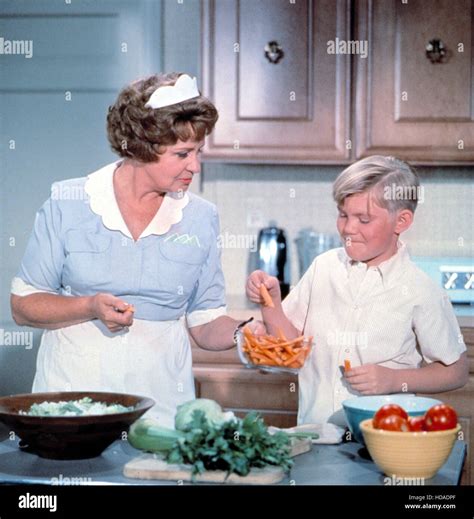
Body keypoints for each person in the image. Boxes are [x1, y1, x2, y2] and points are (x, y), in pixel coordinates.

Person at [11, 72, 260, 428]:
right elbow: (23, 306)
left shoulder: (200, 217)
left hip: (161, 411)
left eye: (198, 152)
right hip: (72, 406)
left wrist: (242, 334)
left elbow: (204, 320)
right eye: (182, 154)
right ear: (141, 148)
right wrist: (90, 306)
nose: (195, 166)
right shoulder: (69, 202)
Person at [246, 156, 468, 427]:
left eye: (364, 219)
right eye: (343, 215)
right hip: (316, 435)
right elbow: (291, 349)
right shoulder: (323, 268)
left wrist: (394, 379)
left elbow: (456, 371)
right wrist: (271, 304)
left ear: (402, 221)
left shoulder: (421, 290)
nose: (349, 229)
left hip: (382, 442)